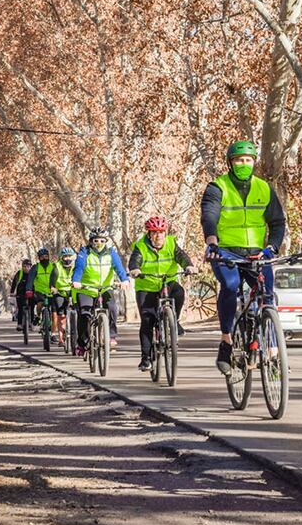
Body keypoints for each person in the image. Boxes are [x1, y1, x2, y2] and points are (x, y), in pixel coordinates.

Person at [201, 140, 287, 375]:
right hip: (226, 251)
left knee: (267, 297)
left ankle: (271, 351)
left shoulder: (264, 188)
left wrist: (272, 247)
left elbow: (278, 223)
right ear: (230, 163)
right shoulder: (217, 187)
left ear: (254, 162)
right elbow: (209, 217)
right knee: (230, 285)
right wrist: (212, 243)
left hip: (256, 253)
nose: (244, 164)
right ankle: (227, 340)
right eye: (239, 160)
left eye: (248, 160)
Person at [129, 216, 198, 371]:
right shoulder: (141, 246)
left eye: (161, 232)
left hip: (168, 282)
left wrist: (189, 266)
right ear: (149, 234)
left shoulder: (171, 243)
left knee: (179, 292)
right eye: (154, 232)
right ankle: (146, 358)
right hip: (147, 286)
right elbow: (135, 260)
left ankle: (175, 320)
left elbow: (182, 256)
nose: (158, 236)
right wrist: (135, 269)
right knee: (147, 320)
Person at [71, 227, 129, 355]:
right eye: (96, 240)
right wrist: (76, 281)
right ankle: (82, 343)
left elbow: (119, 268)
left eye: (102, 241)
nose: (99, 243)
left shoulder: (111, 253)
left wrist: (124, 280)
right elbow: (79, 268)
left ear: (106, 241)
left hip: (105, 288)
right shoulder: (84, 252)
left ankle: (111, 336)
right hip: (87, 289)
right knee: (84, 314)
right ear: (91, 241)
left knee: (112, 308)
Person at [27, 248, 58, 339]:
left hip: (52, 291)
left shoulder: (53, 266)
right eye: (42, 257)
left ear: (49, 257)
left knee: (54, 313)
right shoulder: (35, 267)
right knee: (40, 303)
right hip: (39, 291)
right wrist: (29, 289)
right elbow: (30, 279)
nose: (44, 258)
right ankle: (38, 315)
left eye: (46, 256)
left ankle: (53, 334)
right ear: (39, 258)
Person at [51, 247, 77, 345]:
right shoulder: (57, 267)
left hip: (73, 291)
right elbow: (52, 281)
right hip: (60, 292)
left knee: (77, 312)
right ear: (62, 257)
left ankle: (75, 330)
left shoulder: (76, 267)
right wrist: (53, 288)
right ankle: (61, 339)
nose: (67, 258)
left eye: (69, 256)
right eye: (65, 256)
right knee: (61, 315)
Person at [9, 259, 32, 331]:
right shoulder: (19, 273)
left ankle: (31, 322)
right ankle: (19, 324)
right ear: (22, 267)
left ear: (30, 267)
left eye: (28, 266)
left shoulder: (33, 273)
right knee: (20, 308)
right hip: (20, 293)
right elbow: (14, 283)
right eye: (24, 266)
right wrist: (12, 292)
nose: (26, 268)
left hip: (31, 292)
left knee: (32, 306)